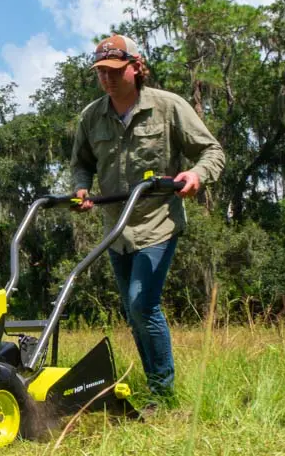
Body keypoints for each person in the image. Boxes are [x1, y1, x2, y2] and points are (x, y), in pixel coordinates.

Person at [69, 34, 225, 406]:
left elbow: (211, 150)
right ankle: (156, 388)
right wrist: (81, 190)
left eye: (113, 71)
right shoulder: (91, 117)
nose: (106, 79)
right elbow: (81, 164)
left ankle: (163, 395)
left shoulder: (168, 107)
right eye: (100, 72)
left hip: (157, 222)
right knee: (132, 311)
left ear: (136, 68)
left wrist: (196, 175)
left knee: (142, 304)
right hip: (115, 229)